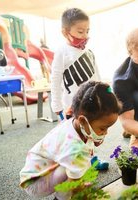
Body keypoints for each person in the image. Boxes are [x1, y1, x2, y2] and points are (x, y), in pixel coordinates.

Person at [19, 81, 121, 200]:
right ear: (83, 121)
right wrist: (84, 193)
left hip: (39, 170)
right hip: (35, 182)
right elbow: (75, 183)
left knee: (81, 164)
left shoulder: (75, 122)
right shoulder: (75, 148)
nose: (106, 133)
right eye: (103, 128)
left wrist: (96, 136)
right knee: (77, 168)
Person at [50, 8, 106, 169]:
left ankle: (92, 158)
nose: (85, 35)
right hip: (71, 104)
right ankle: (74, 162)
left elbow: (97, 75)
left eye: (87, 31)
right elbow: (55, 78)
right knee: (74, 134)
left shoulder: (89, 52)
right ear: (65, 32)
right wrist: (56, 104)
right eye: (80, 31)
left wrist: (103, 94)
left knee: (90, 130)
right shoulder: (62, 52)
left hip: (91, 101)